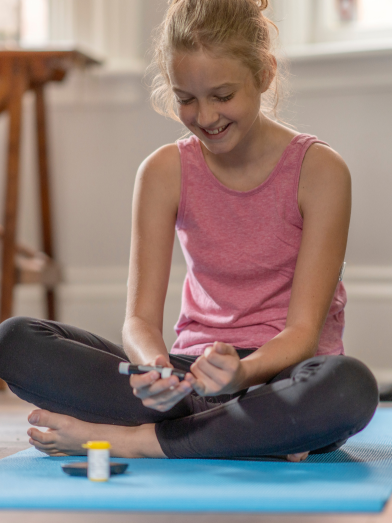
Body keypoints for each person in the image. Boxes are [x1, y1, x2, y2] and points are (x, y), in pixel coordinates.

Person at [0, 0, 378, 461]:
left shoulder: (320, 171)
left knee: (350, 388)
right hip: (190, 378)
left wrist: (241, 375)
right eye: (186, 99)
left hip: (280, 377)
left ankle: (136, 441)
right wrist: (154, 368)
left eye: (222, 96)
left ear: (264, 74)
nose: (205, 117)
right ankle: (245, 435)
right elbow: (139, 321)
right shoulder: (163, 172)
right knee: (15, 340)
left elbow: (302, 332)